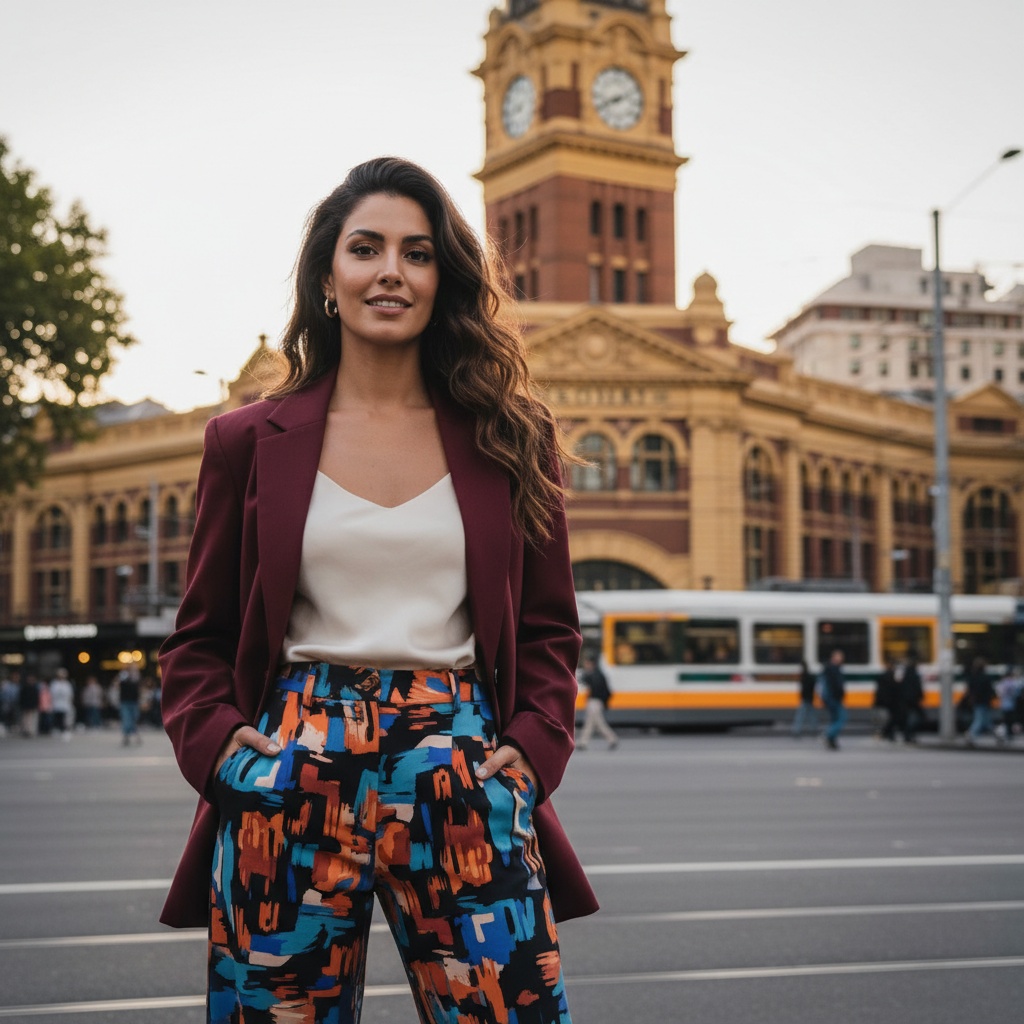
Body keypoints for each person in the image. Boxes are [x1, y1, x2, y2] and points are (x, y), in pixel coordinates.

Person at [159, 157, 596, 1024]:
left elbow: (549, 628)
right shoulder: (246, 440)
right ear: (329, 276)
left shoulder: (512, 436)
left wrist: (532, 751)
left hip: (463, 767)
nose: (391, 270)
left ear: (444, 280)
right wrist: (228, 756)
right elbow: (199, 636)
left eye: (418, 252)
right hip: (289, 767)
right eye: (366, 248)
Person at [577, 654, 618, 750]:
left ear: (592, 664)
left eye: (587, 663)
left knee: (597, 723)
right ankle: (583, 742)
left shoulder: (595, 675)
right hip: (595, 702)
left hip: (595, 702)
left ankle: (612, 739)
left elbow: (590, 685)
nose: (586, 665)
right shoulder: (598, 674)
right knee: (591, 723)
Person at [965, 656, 995, 745]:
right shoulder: (985, 677)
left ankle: (998, 736)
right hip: (984, 701)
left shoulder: (972, 676)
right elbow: (989, 690)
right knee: (980, 720)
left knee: (986, 721)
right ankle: (971, 735)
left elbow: (970, 689)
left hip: (977, 701)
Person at [821, 649, 846, 750]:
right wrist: (840, 696)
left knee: (834, 719)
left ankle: (832, 741)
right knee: (842, 718)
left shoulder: (827, 668)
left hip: (829, 698)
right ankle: (828, 734)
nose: (841, 658)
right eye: (839, 656)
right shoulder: (834, 669)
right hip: (834, 698)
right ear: (834, 657)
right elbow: (838, 686)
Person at [791, 659, 819, 737]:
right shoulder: (810, 676)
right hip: (810, 698)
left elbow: (804, 689)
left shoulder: (803, 677)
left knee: (800, 715)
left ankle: (796, 731)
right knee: (811, 715)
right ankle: (813, 730)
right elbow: (813, 687)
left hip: (805, 698)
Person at [899, 655, 924, 743]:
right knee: (917, 718)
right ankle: (910, 734)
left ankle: (907, 735)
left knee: (907, 718)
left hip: (906, 701)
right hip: (913, 701)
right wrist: (920, 697)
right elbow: (918, 688)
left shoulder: (905, 676)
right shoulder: (915, 676)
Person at [116, 666, 142, 746]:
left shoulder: (136, 677)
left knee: (135, 718)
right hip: (125, 701)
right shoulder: (123, 676)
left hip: (134, 701)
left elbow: (139, 688)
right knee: (127, 719)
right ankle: (126, 736)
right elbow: (117, 684)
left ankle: (134, 735)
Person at [48, 667, 75, 740]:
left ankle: (65, 730)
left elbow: (70, 694)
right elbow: (52, 693)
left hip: (65, 704)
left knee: (65, 719)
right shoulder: (54, 683)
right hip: (56, 704)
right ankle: (56, 730)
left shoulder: (67, 684)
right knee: (57, 718)